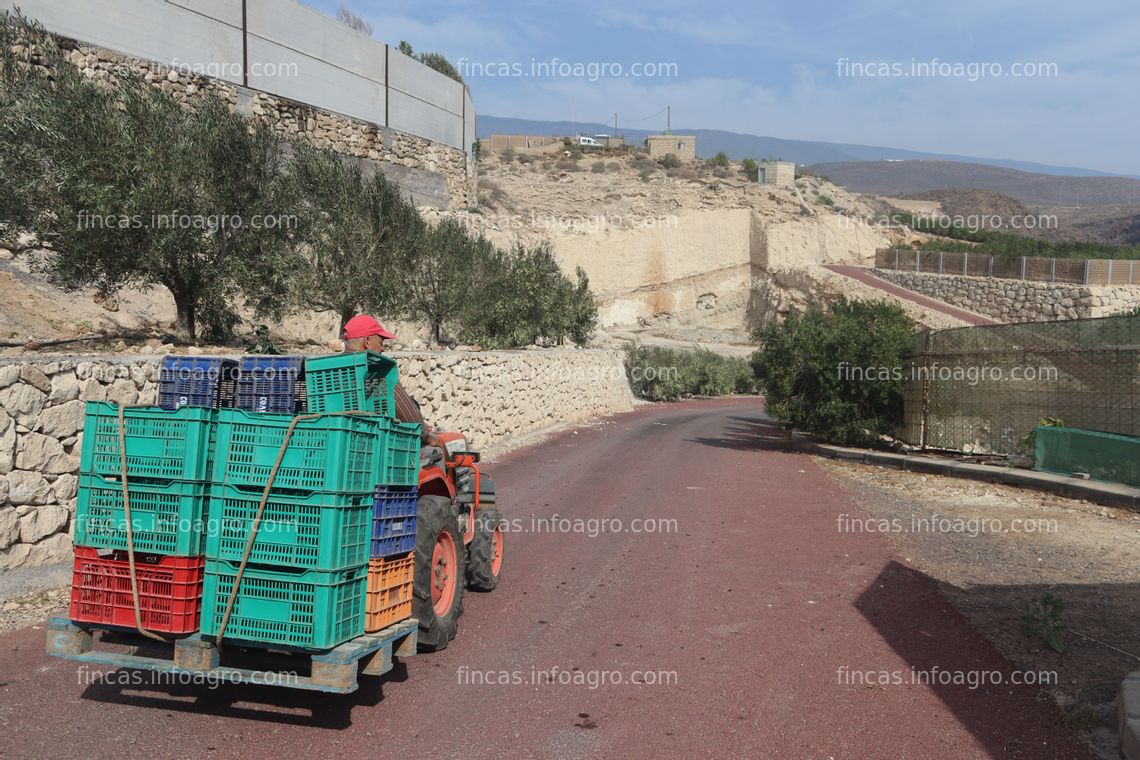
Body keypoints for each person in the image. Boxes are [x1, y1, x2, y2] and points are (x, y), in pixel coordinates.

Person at [341, 314, 438, 447]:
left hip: (342, 443)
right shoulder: (377, 372)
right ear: (367, 341)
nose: (382, 348)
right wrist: (428, 436)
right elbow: (410, 416)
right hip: (374, 447)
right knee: (437, 450)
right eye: (381, 343)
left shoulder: (329, 370)